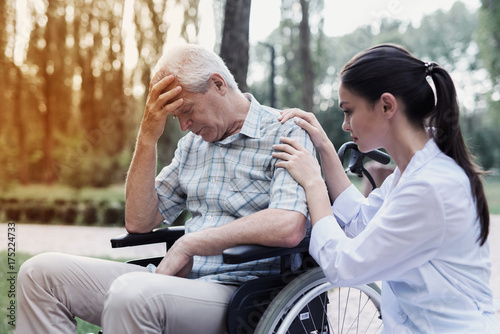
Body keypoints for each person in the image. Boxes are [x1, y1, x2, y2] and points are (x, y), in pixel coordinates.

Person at [17, 44, 314, 333]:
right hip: (174, 284)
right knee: (39, 274)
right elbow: (139, 221)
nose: (184, 126)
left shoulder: (285, 129)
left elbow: (288, 224)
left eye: (187, 110)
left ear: (218, 85)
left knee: (131, 294)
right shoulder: (192, 147)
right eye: (175, 118)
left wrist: (191, 243)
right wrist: (147, 137)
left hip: (242, 293)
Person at [272, 44, 500, 333]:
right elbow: (360, 222)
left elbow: (344, 265)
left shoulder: (430, 186)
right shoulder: (410, 173)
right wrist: (324, 149)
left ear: (387, 106)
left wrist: (314, 183)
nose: (344, 125)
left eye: (348, 111)